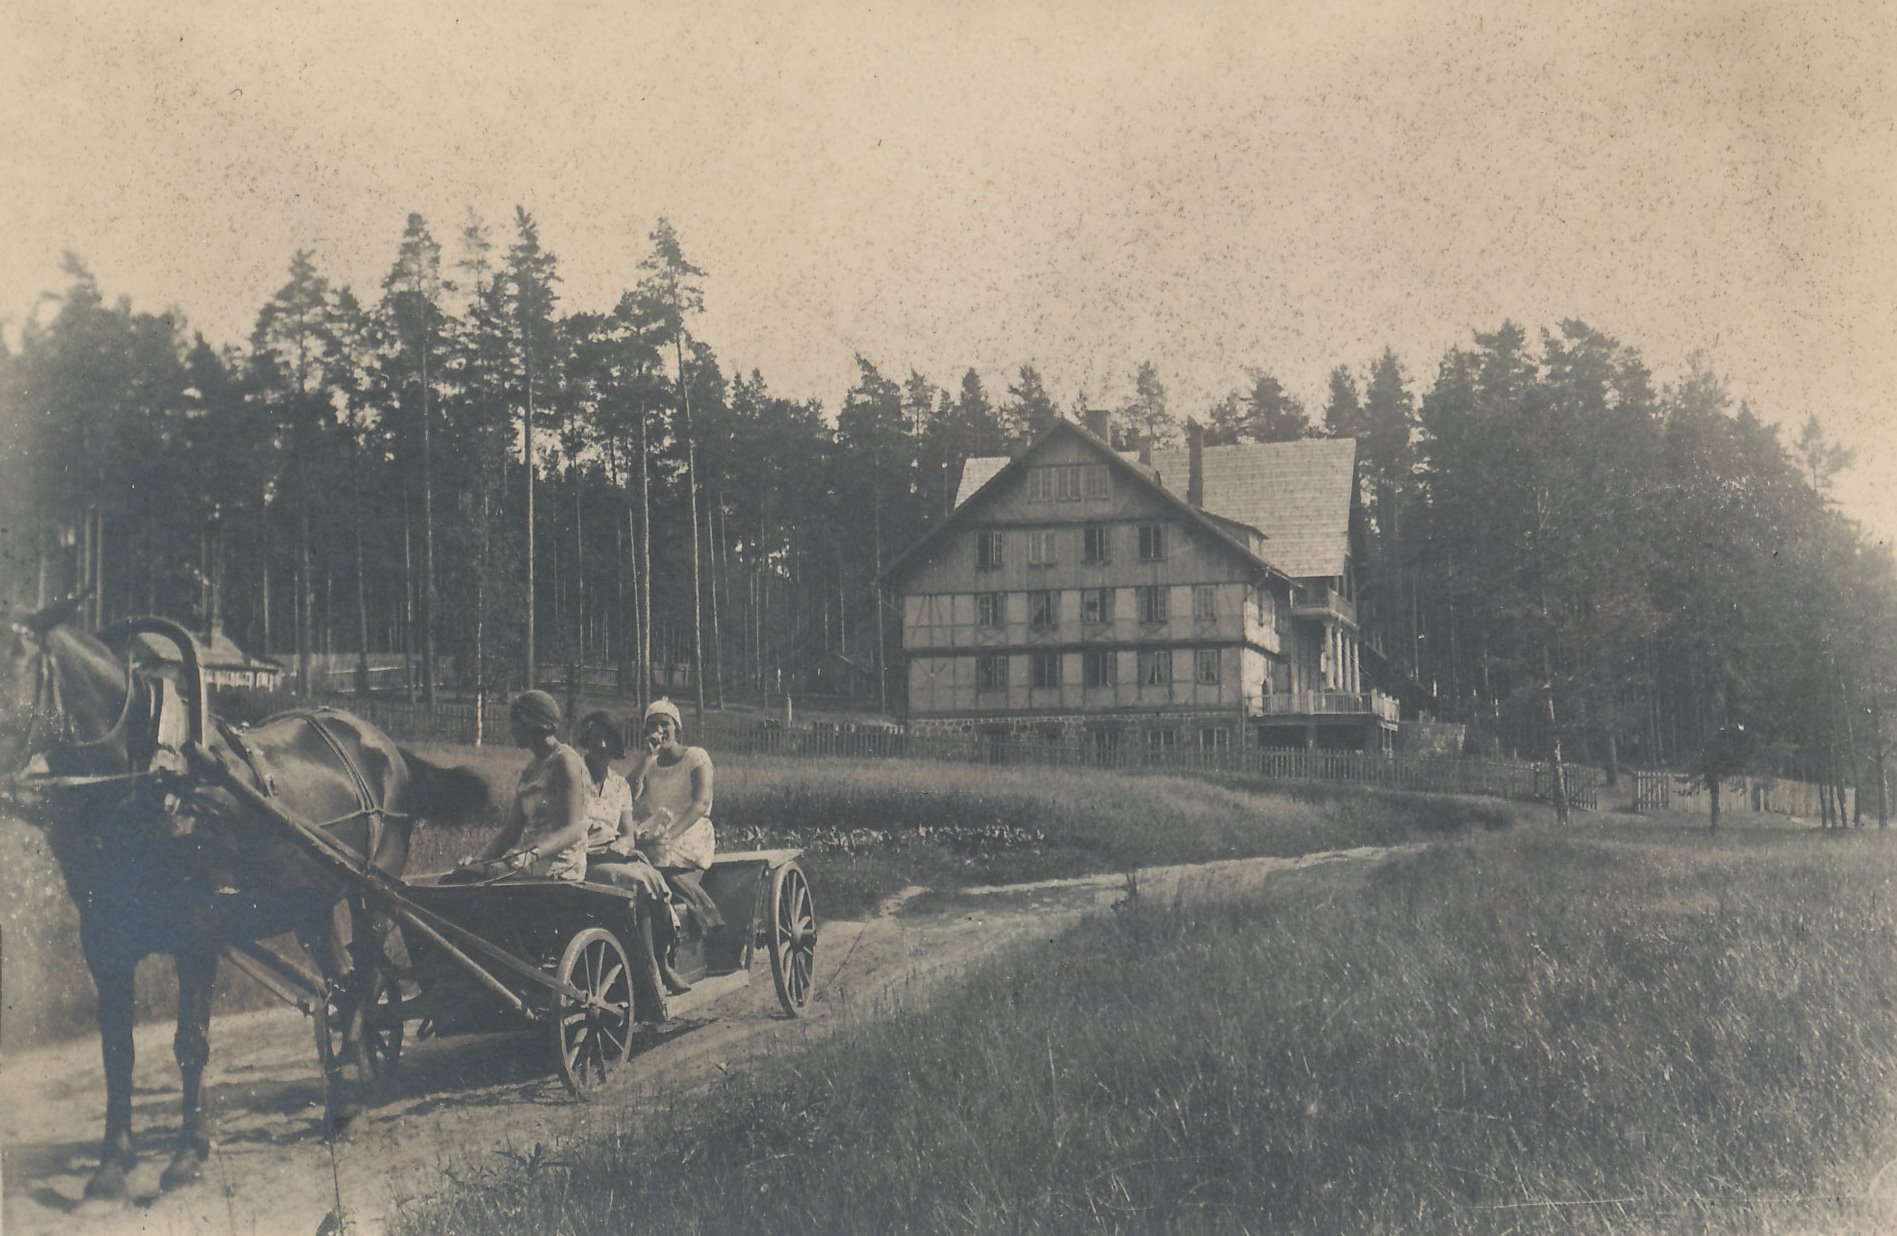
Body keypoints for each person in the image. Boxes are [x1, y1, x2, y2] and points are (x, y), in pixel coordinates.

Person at [574, 709, 691, 998]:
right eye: (595, 738)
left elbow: (627, 831)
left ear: (616, 746)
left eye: (608, 740)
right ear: (586, 741)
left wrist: (623, 845)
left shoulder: (619, 786)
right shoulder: (574, 777)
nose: (601, 746)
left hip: (614, 855)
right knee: (639, 881)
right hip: (585, 859)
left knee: (650, 876)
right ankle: (650, 968)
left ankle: (662, 962)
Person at [629, 698, 724, 976]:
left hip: (690, 830)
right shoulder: (650, 763)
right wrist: (644, 759)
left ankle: (706, 914)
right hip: (657, 829)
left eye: (665, 724)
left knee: (657, 869)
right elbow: (624, 796)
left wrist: (671, 834)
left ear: (676, 727)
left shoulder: (696, 757)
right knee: (634, 867)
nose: (659, 731)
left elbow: (701, 803)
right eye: (652, 726)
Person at [462, 690, 589, 881]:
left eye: (516, 721)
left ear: (533, 723)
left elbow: (573, 830)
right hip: (528, 862)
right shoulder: (531, 769)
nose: (512, 729)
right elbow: (511, 831)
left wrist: (531, 855)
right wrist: (479, 861)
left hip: (560, 866)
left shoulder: (565, 761)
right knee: (462, 877)